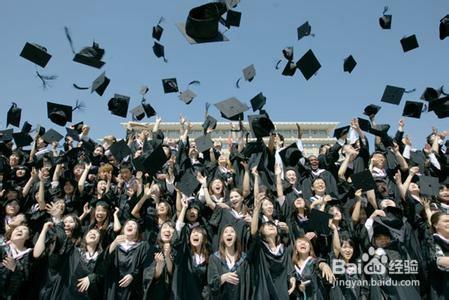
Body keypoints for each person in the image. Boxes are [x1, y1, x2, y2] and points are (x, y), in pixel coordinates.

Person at [207, 224, 250, 299]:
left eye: (232, 231)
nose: (229, 233)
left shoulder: (244, 259)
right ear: (222, 238)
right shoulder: (215, 258)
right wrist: (222, 278)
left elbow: (248, 286)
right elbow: (211, 284)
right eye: (226, 232)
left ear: (236, 237)